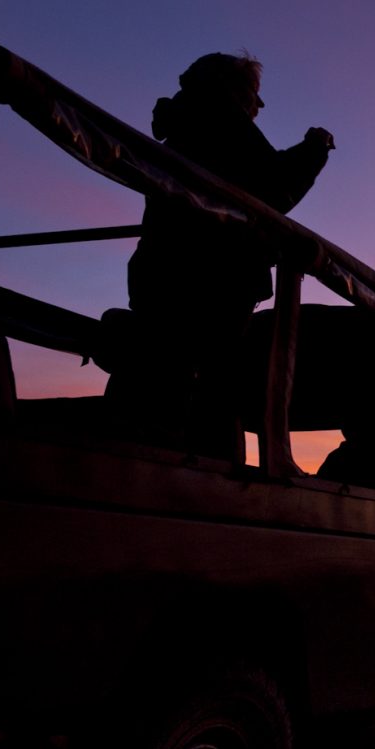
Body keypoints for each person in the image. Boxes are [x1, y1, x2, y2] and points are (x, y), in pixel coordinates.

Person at [109, 51, 336, 455]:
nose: (256, 108)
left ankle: (143, 446)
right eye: (254, 95)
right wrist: (315, 148)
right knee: (209, 382)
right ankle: (189, 468)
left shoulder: (187, 123)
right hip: (214, 277)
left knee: (160, 366)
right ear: (230, 88)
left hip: (163, 268)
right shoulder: (220, 117)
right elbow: (275, 185)